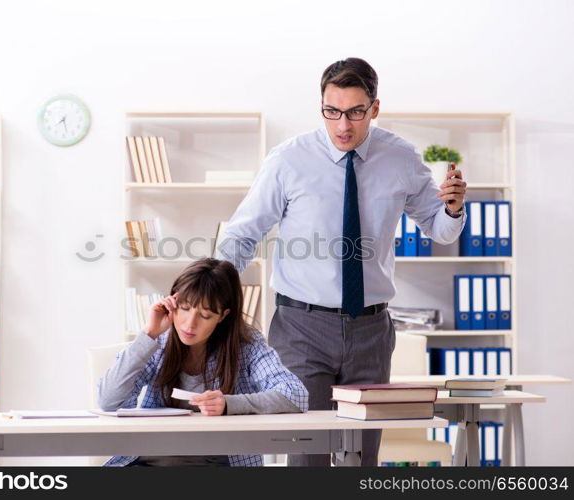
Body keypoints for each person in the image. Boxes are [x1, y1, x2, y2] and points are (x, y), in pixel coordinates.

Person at [217, 57, 467, 466]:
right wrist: (210, 289)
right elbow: (244, 233)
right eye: (332, 112)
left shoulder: (401, 158)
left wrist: (453, 210)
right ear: (322, 107)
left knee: (362, 461)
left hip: (370, 330)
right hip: (301, 329)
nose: (343, 126)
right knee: (306, 459)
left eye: (354, 112)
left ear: (375, 108)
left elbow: (438, 230)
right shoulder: (289, 160)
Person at [97, 257, 308, 466]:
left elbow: (295, 394)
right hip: (152, 459)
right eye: (185, 308)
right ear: (172, 302)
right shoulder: (159, 342)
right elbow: (108, 401)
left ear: (223, 316)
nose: (190, 324)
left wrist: (229, 404)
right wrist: (148, 334)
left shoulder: (247, 346)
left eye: (205, 315)